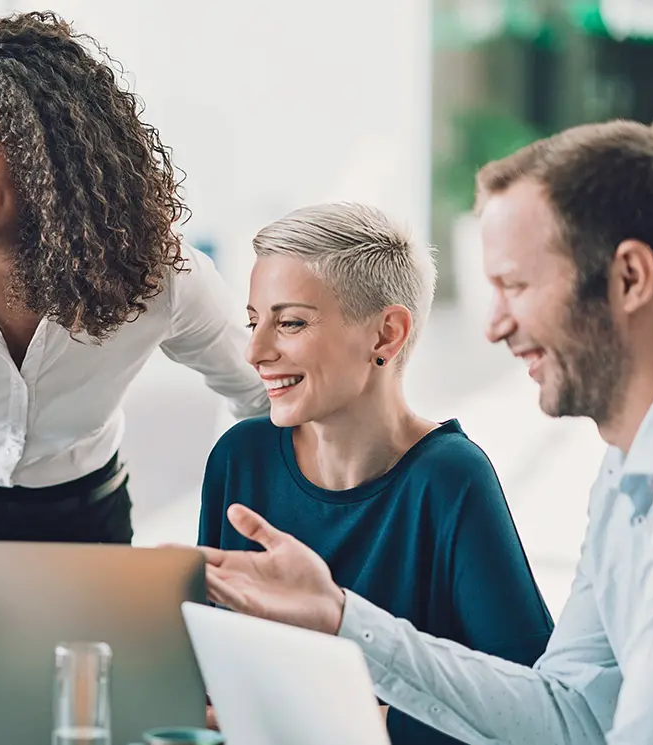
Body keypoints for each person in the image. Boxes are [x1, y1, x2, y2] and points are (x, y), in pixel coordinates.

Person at [197, 119, 653, 744]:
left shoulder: (455, 474)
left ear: (630, 278)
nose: (493, 328)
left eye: (515, 286)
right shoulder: (623, 485)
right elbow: (567, 717)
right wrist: (341, 618)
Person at [0, 12, 268, 542]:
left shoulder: (159, 276)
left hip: (87, 521)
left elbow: (260, 398)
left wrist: (235, 512)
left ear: (50, 162)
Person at [199, 202, 552, 743]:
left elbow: (534, 709)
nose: (255, 351)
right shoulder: (239, 458)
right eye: (253, 321)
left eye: (290, 322)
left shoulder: (451, 478)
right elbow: (204, 666)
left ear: (386, 335)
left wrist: (336, 723)